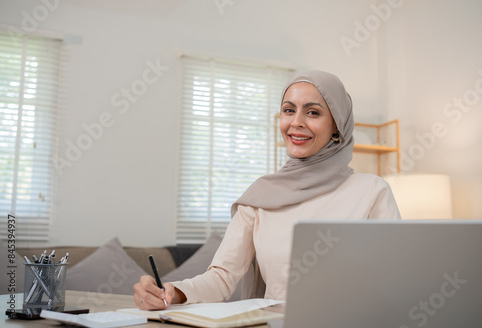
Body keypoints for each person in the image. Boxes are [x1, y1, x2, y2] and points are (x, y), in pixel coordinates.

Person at [133, 70, 401, 310]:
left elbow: (395, 279)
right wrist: (174, 292)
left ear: (337, 126)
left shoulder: (371, 191)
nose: (295, 122)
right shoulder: (260, 197)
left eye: (313, 112)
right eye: (288, 110)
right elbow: (221, 277)